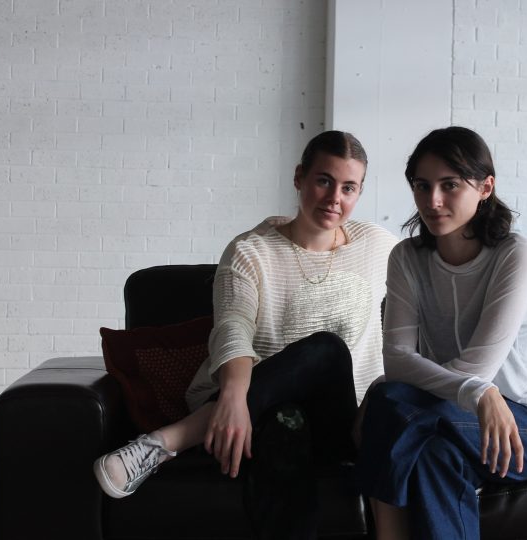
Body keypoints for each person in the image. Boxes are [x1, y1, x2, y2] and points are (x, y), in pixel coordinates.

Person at [93, 130, 399, 538]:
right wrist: (234, 399)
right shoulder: (250, 250)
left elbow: (431, 284)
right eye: (324, 181)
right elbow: (233, 327)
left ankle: (168, 441)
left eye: (349, 188)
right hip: (258, 411)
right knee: (283, 431)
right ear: (299, 178)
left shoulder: (379, 247)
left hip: (339, 419)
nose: (334, 199)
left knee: (328, 351)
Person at [356, 126, 527, 539]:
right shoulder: (406, 258)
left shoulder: (515, 254)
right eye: (422, 186)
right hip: (457, 418)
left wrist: (476, 389)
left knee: (387, 399)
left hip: (526, 422)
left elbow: (477, 367)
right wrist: (479, 393)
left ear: (485, 187)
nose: (433, 201)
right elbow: (397, 358)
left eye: (450, 185)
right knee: (434, 455)